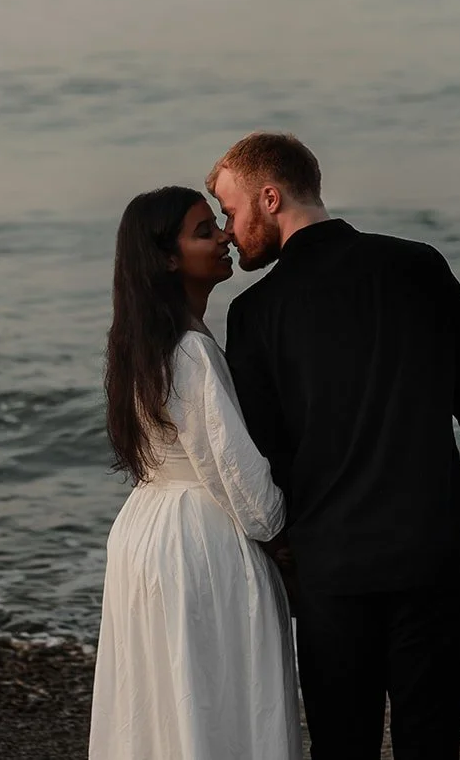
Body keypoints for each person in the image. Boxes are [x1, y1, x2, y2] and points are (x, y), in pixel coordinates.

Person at [209, 133, 460, 760]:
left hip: (334, 569)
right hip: (434, 553)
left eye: (231, 210)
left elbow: (267, 457)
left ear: (270, 198)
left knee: (342, 748)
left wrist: (292, 557)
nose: (229, 231)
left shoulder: (257, 312)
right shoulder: (418, 266)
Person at [88, 186, 302, 760]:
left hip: (146, 528)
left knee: (165, 701)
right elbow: (236, 472)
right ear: (167, 257)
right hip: (199, 540)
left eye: (218, 224)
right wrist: (285, 542)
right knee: (213, 698)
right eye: (205, 232)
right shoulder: (190, 350)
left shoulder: (138, 344)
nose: (226, 236)